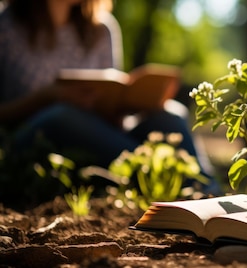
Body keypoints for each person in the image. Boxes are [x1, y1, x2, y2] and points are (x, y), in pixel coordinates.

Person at [0, 0, 222, 196]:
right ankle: (159, 173)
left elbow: (114, 93)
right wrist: (46, 98)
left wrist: (125, 102)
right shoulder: (7, 25)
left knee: (170, 114)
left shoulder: (101, 28)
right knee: (63, 116)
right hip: (32, 138)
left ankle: (209, 192)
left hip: (104, 134)